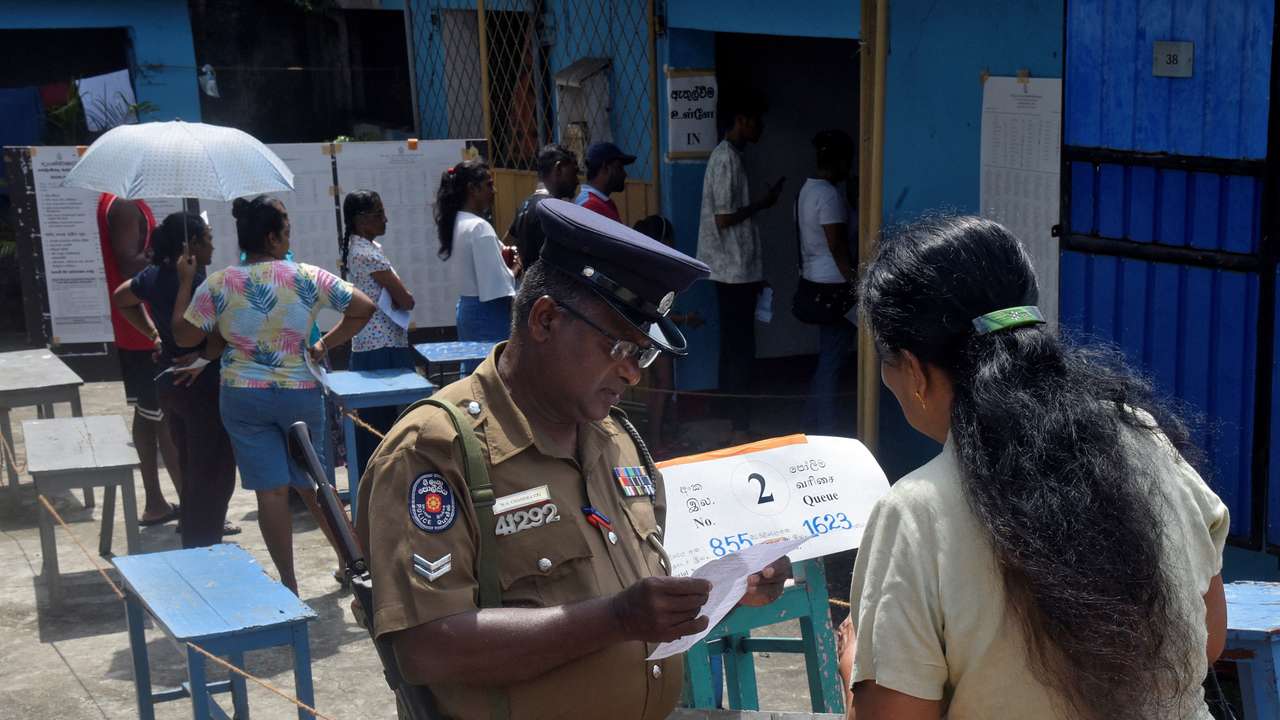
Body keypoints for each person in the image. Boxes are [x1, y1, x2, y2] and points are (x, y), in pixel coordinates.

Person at [356, 199, 792, 719]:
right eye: (621, 348)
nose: (634, 374)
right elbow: (427, 646)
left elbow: (646, 602)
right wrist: (616, 619)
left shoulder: (616, 439)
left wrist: (729, 590)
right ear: (544, 320)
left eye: (644, 354)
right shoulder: (437, 450)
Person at [840, 216, 1229, 719]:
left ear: (913, 372)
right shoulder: (1144, 440)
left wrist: (855, 666)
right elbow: (1206, 640)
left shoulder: (917, 512)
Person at [173, 195, 376, 595]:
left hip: (243, 395)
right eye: (287, 229)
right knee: (317, 485)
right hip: (300, 391)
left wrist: (185, 280)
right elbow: (364, 307)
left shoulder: (220, 283)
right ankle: (351, 566)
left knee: (271, 492)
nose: (289, 235)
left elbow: (184, 335)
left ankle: (289, 585)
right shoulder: (306, 276)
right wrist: (325, 344)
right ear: (272, 236)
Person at [112, 211, 239, 547]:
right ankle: (205, 541)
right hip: (203, 384)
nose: (213, 244)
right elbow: (205, 335)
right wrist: (206, 354)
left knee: (190, 462)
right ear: (191, 244)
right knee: (214, 468)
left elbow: (122, 298)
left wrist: (153, 334)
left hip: (171, 384)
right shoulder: (198, 284)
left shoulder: (153, 276)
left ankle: (195, 531)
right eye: (208, 237)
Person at [695, 90, 782, 444]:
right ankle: (739, 427)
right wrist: (762, 203)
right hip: (732, 271)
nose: (759, 126)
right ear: (741, 120)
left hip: (734, 270)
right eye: (755, 119)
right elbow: (725, 217)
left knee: (735, 346)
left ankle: (733, 420)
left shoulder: (728, 157)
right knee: (740, 349)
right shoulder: (726, 158)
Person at [98, 193, 182, 527]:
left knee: (148, 414)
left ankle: (156, 503)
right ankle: (193, 507)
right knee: (166, 417)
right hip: (145, 329)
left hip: (139, 330)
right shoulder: (123, 205)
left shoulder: (123, 202)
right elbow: (127, 262)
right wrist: (167, 254)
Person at [338, 189, 416, 476]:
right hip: (382, 346)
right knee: (385, 424)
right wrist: (405, 297)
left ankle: (374, 479)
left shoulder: (359, 249)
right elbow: (405, 299)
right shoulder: (367, 254)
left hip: (370, 345)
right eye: (378, 214)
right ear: (361, 221)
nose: (386, 219)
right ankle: (382, 480)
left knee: (374, 423)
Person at [796, 129, 857, 436]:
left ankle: (812, 422)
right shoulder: (830, 196)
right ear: (838, 161)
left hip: (815, 280)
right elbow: (837, 245)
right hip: (835, 286)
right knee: (832, 362)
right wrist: (855, 283)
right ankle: (826, 430)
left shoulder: (807, 190)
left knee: (827, 358)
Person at [436, 160, 515, 373]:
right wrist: (515, 269)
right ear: (473, 189)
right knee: (493, 376)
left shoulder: (457, 222)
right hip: (488, 313)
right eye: (489, 185)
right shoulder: (479, 227)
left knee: (474, 373)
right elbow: (498, 286)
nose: (494, 191)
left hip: (468, 310)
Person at [506, 144, 579, 273]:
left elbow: (506, 243)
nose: (577, 181)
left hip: (531, 288)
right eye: (573, 173)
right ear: (558, 169)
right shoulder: (551, 209)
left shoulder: (526, 205)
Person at [575, 142, 634, 222]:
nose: (624, 174)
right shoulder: (590, 206)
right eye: (619, 168)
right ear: (605, 167)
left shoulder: (600, 202)